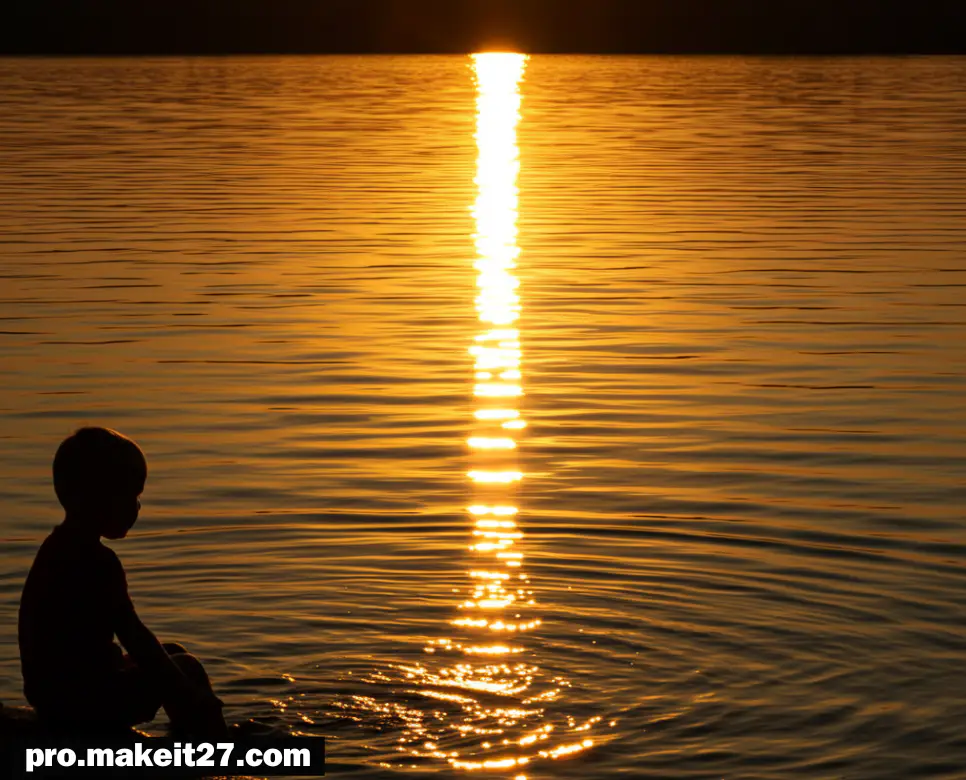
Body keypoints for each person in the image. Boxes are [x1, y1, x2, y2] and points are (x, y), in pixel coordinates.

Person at [18, 426, 227, 737]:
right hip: (84, 703)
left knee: (172, 651)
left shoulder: (53, 549)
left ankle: (186, 732)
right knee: (186, 667)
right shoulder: (98, 562)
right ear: (98, 498)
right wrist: (189, 692)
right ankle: (212, 742)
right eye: (132, 495)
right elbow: (134, 635)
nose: (138, 506)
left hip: (51, 697)